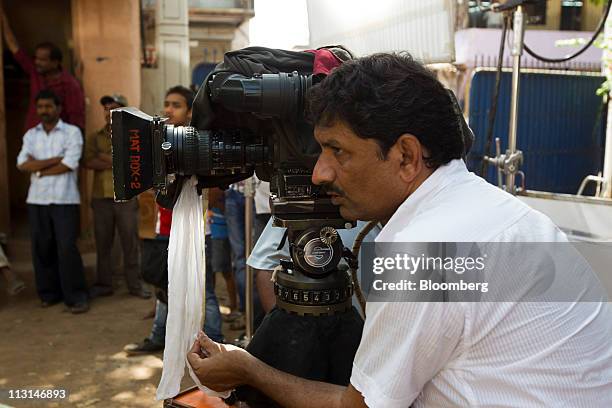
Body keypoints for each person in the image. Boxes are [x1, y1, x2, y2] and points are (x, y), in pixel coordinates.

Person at [186, 53, 612, 407]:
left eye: (337, 150)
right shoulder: (493, 207)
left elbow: (361, 407)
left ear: (407, 156)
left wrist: (248, 368)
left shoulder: (420, 248)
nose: (318, 173)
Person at [124, 86, 223, 355]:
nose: (168, 109)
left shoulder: (203, 143)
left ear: (190, 111)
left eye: (176, 105)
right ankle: (160, 336)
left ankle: (215, 343)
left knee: (204, 290)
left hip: (196, 231)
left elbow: (214, 191)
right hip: (163, 229)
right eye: (166, 103)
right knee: (163, 288)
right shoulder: (155, 143)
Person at [16, 89, 89, 314]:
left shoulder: (72, 132)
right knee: (42, 248)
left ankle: (76, 297)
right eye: (40, 107)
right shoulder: (31, 135)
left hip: (64, 200)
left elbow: (69, 164)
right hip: (37, 201)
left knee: (67, 248)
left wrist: (38, 169)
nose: (44, 111)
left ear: (58, 108)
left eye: (48, 106)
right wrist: (54, 160)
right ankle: (49, 294)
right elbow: (22, 163)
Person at [84, 94, 149, 299]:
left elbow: (135, 161)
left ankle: (134, 285)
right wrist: (117, 160)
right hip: (101, 197)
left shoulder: (133, 137)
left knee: (130, 242)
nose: (109, 112)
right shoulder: (95, 137)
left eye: (114, 108)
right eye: (106, 108)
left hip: (126, 197)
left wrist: (105, 158)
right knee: (103, 243)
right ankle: (104, 283)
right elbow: (88, 161)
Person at [1, 11, 85, 131]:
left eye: (42, 60)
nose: (37, 62)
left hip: (58, 142)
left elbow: (76, 119)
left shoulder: (70, 84)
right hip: (34, 138)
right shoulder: (35, 72)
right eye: (36, 58)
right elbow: (14, 46)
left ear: (55, 62)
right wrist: (3, 19)